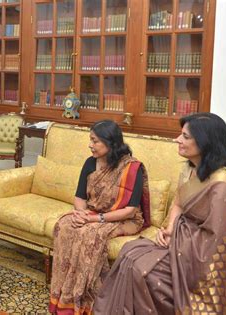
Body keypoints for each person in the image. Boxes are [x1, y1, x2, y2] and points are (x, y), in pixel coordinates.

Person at [94, 113, 226, 314]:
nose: (177, 139)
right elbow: (179, 202)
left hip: (204, 258)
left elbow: (217, 242)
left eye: (185, 136)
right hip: (184, 240)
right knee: (129, 252)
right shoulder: (190, 169)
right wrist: (169, 229)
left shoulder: (223, 184)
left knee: (141, 269)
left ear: (204, 142)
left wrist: (178, 240)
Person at [49, 120, 150, 314]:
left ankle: (85, 298)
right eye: (90, 140)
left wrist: (93, 219)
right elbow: (80, 197)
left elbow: (130, 210)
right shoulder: (90, 162)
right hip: (92, 214)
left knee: (90, 235)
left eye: (95, 141)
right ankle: (63, 293)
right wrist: (80, 213)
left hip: (124, 219)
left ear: (110, 142)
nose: (90, 145)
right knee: (65, 225)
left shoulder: (131, 168)